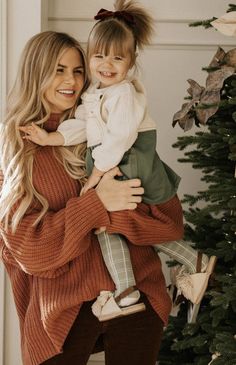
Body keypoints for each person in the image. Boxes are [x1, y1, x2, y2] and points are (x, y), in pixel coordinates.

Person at [19, 0, 216, 324]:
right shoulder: (96, 93)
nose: (106, 64)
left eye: (117, 57)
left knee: (108, 220)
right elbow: (81, 125)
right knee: (108, 223)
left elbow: (121, 136)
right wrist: (50, 138)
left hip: (130, 157)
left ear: (131, 62)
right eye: (98, 56)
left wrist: (97, 176)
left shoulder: (123, 93)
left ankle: (146, 282)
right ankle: (153, 279)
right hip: (114, 157)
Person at [0, 30, 185, 365]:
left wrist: (108, 212)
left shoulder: (109, 131)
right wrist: (97, 205)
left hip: (137, 296)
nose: (71, 80)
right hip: (59, 309)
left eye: (78, 70)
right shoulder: (14, 148)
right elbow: (29, 249)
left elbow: (169, 224)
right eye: (58, 70)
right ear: (35, 73)